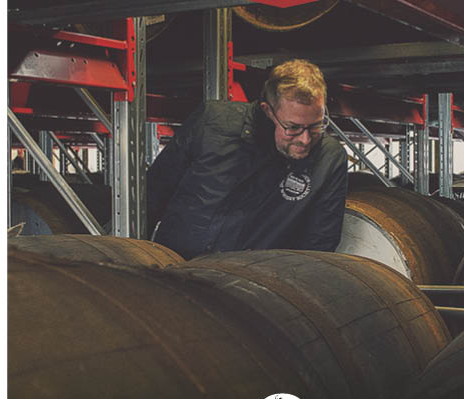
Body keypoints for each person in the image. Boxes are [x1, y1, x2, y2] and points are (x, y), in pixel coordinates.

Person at [147, 58, 347, 259]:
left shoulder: (329, 158)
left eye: (316, 126)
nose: (305, 140)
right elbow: (154, 192)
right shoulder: (212, 124)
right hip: (174, 271)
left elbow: (320, 244)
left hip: (249, 282)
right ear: (268, 110)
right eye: (293, 127)